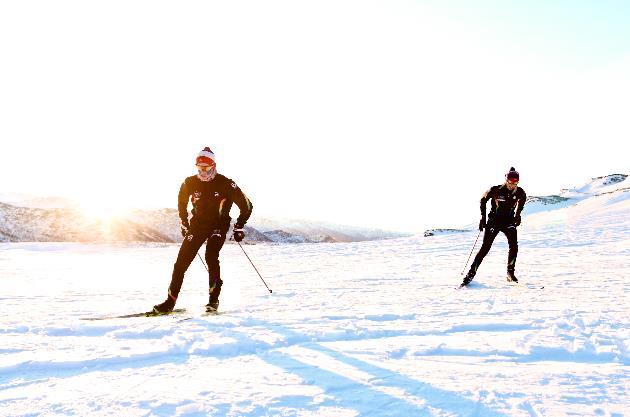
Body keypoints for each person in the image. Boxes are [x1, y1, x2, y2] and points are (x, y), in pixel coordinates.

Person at [153, 147, 253, 314]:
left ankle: (213, 301)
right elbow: (181, 201)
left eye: (205, 168)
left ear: (213, 166)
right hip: (198, 225)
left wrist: (239, 226)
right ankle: (169, 303)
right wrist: (184, 222)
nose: (202, 172)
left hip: (218, 226)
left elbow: (247, 205)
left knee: (211, 256)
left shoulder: (226, 183)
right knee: (181, 263)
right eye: (199, 168)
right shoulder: (189, 182)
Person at [461, 167, 526, 287]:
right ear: (506, 180)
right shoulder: (495, 190)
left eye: (515, 182)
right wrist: (483, 218)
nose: (512, 185)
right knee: (485, 248)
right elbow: (483, 200)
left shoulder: (520, 192)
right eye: (510, 182)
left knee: (514, 245)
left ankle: (510, 273)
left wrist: (518, 215)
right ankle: (470, 274)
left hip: (508, 222)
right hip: (494, 221)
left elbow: (522, 202)